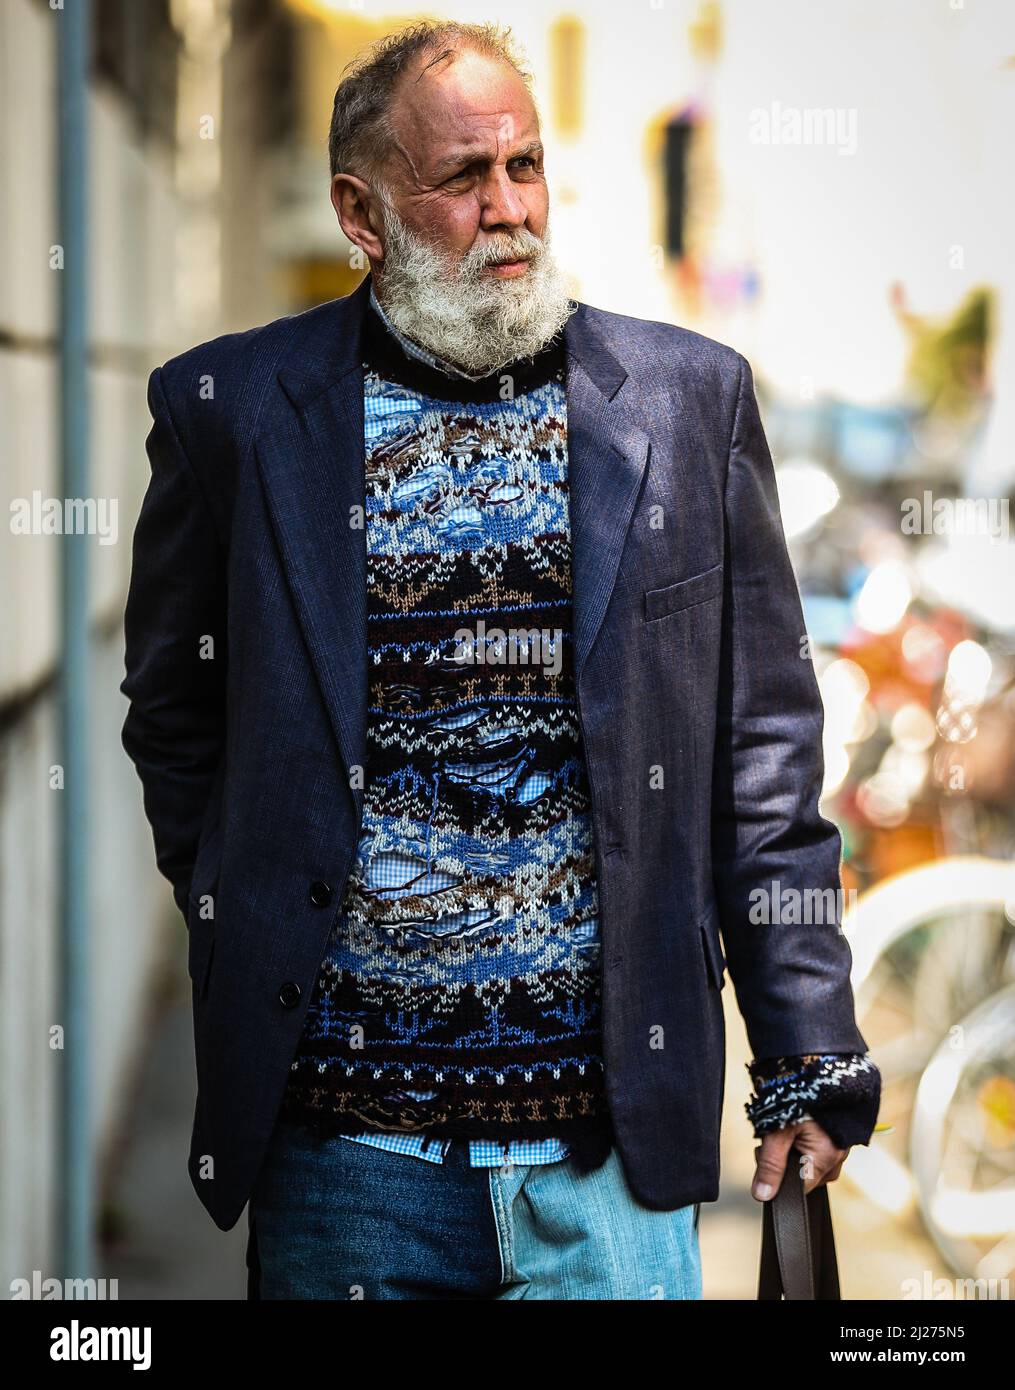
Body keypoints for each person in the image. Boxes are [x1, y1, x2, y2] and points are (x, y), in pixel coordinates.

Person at [119, 19, 881, 1301]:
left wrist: (805, 1043)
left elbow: (760, 756)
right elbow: (174, 717)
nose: (508, 209)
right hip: (348, 1160)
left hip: (609, 1165)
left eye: (523, 168)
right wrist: (246, 906)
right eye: (463, 181)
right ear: (361, 213)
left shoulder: (686, 404)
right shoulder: (233, 416)